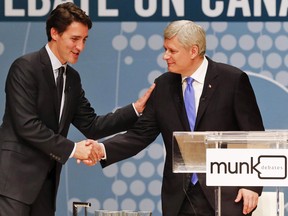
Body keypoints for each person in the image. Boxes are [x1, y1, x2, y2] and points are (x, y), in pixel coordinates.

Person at [96, 20, 264, 216]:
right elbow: (140, 134)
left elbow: (253, 136)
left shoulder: (232, 80)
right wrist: (102, 149)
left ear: (193, 51)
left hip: (226, 196)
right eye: (165, 49)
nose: (165, 56)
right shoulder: (164, 86)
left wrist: (251, 185)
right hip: (180, 198)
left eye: (172, 51)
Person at [0, 2, 154, 216]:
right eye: (74, 39)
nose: (80, 47)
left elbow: (92, 125)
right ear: (54, 33)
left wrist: (135, 109)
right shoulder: (25, 67)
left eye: (84, 40)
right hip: (13, 185)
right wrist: (74, 149)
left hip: (45, 187)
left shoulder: (72, 78)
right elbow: (27, 125)